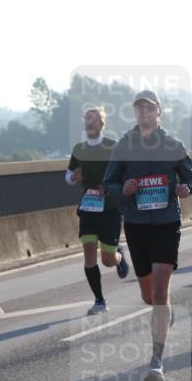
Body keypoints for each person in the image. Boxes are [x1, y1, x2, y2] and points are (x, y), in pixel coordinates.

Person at [104, 90, 192, 381]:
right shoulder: (124, 146)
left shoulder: (173, 145)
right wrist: (125, 188)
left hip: (167, 223)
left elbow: (191, 175)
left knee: (160, 293)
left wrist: (187, 188)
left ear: (159, 111)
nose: (144, 112)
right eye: (139, 108)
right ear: (135, 113)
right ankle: (162, 313)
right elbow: (109, 182)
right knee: (149, 296)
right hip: (136, 224)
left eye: (149, 108)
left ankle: (156, 361)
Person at [66, 107, 129, 315]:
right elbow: (68, 176)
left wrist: (108, 188)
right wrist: (73, 177)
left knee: (107, 260)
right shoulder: (79, 149)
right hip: (88, 208)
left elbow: (122, 174)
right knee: (89, 250)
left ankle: (118, 255)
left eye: (93, 120)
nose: (89, 123)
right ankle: (100, 300)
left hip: (109, 208)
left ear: (102, 124)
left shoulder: (113, 147)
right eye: (87, 119)